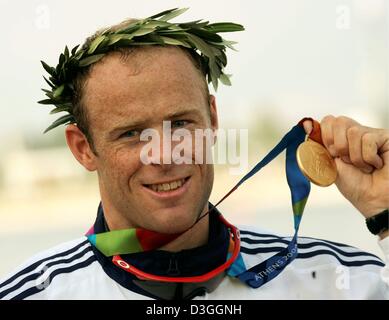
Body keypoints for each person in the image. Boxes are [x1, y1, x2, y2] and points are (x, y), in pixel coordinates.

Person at [0, 8, 388, 300]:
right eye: (132, 133)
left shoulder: (335, 281)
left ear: (213, 119)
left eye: (181, 124)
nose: (165, 154)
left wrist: (384, 211)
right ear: (84, 149)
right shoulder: (33, 294)